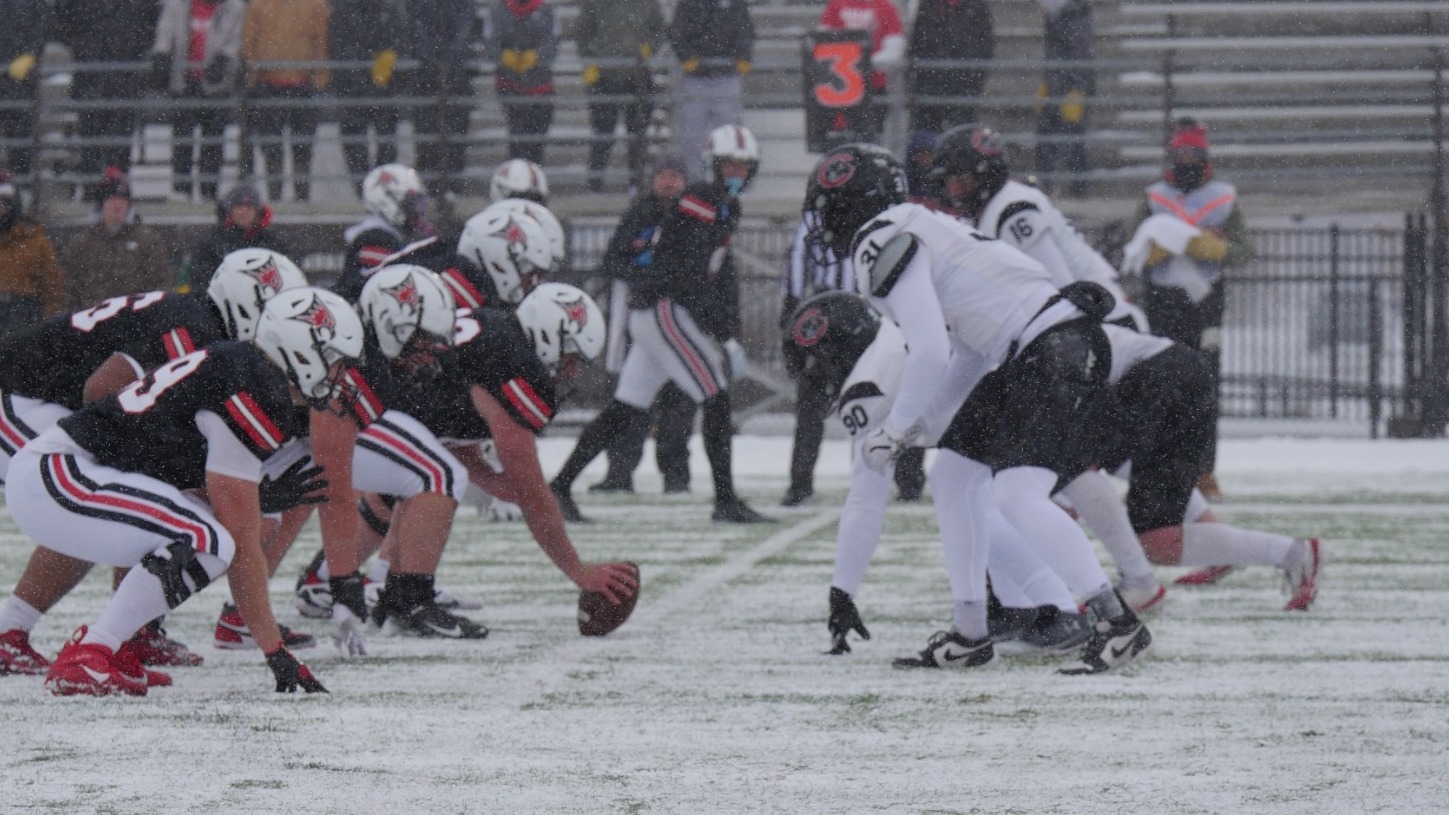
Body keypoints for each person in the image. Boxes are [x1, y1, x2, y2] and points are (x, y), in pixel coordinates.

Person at [803, 143, 1150, 675]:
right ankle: (970, 631)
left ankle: (1116, 622)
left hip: (1048, 346)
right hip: (1039, 344)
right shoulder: (922, 222)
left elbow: (930, 349)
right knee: (953, 475)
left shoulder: (880, 238)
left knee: (1015, 493)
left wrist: (895, 429)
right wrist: (920, 422)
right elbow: (964, 348)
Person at [5, 287, 358, 696]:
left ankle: (107, 645)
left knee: (202, 528)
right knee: (208, 539)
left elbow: (195, 487)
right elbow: (242, 542)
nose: (341, 376)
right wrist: (275, 652)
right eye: (336, 362)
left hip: (63, 476)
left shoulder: (244, 370)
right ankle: (90, 653)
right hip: (59, 473)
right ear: (302, 351)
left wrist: (257, 497)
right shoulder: (252, 387)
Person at [367, 282, 639, 633]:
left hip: (375, 407)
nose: (569, 372)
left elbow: (445, 421)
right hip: (366, 413)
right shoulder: (514, 362)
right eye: (569, 358)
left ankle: (391, 595)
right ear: (547, 334)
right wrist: (578, 570)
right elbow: (533, 493)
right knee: (438, 476)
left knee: (426, 474)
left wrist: (492, 479)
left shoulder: (496, 331)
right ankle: (408, 602)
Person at [551, 125, 767, 524]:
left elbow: (710, 273)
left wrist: (721, 323)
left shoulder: (720, 204)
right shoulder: (702, 201)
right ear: (713, 165)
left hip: (663, 308)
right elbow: (689, 272)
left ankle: (559, 487)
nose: (736, 173)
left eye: (743, 166)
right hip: (667, 308)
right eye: (729, 165)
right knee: (716, 397)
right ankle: (725, 500)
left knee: (623, 410)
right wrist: (721, 332)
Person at [1126, 118, 1252, 503]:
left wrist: (1214, 248)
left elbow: (1243, 252)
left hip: (1205, 305)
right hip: (1163, 303)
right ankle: (1150, 472)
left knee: (1204, 389)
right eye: (1180, 154)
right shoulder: (1153, 198)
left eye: (1193, 154)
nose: (1186, 161)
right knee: (1156, 390)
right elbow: (1133, 253)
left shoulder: (1223, 199)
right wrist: (1159, 247)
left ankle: (1202, 471)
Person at [931, 125, 1140, 329]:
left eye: (961, 180)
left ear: (985, 174)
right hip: (1089, 319)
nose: (954, 191)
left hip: (1103, 322)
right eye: (949, 182)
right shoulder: (993, 208)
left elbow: (1061, 290)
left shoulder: (1013, 211)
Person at [780, 212, 923, 506]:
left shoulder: (886, 221)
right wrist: (794, 311)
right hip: (829, 325)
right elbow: (796, 266)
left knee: (886, 398)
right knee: (817, 404)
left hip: (870, 322)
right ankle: (801, 482)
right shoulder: (817, 223)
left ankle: (905, 479)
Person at [592, 151, 697, 495]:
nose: (669, 182)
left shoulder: (694, 217)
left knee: (677, 408)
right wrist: (647, 277)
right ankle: (619, 473)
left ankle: (677, 477)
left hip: (678, 327)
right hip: (640, 326)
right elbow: (614, 261)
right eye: (663, 175)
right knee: (630, 404)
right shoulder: (639, 216)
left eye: (675, 176)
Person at [152, 0, 246, 201]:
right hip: (184, 83)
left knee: (212, 142)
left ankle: (209, 191)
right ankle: (180, 189)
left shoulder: (233, 7)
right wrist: (162, 54)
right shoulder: (177, 5)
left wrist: (224, 59)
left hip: (215, 87)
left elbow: (235, 39)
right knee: (182, 140)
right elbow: (165, 30)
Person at [53, 0, 157, 176]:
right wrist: (82, 46)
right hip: (91, 75)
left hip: (124, 76)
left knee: (120, 143)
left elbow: (151, 25)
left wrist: (134, 48)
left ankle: (116, 191)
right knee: (91, 142)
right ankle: (92, 188)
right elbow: (61, 23)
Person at [572, 0, 665, 193]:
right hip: (605, 76)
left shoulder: (647, 4)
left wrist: (651, 47)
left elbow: (659, 29)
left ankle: (636, 181)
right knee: (603, 133)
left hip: (638, 75)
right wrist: (589, 60)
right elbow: (581, 32)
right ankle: (595, 184)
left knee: (638, 133)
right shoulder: (595, 4)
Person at [242, 0, 330, 203]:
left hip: (302, 84)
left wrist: (318, 80)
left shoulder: (314, 5)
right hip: (269, 84)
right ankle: (277, 197)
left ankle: (300, 196)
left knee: (302, 147)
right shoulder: (259, 5)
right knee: (274, 147)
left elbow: (321, 42)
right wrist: (254, 76)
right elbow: (249, 43)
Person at [668, 0, 753, 181]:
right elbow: (677, 32)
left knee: (730, 136)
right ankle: (693, 182)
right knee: (691, 137)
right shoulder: (688, 4)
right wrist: (686, 56)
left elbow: (747, 29)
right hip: (695, 79)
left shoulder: (734, 3)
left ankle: (728, 183)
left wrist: (743, 54)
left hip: (726, 77)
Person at [64, 168, 171, 310]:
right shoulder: (84, 243)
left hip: (134, 323)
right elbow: (70, 287)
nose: (118, 205)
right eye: (112, 198)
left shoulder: (147, 240)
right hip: (94, 323)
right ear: (102, 203)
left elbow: (160, 283)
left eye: (123, 199)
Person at [335, 163, 441, 303]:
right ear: (386, 200)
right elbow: (381, 293)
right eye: (410, 203)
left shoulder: (384, 236)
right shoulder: (376, 240)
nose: (416, 212)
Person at [406, 0, 480, 196]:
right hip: (425, 77)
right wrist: (431, 59)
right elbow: (415, 26)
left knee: (456, 138)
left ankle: (452, 190)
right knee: (426, 139)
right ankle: (427, 189)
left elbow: (466, 26)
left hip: (456, 77)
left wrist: (451, 59)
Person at [329, 0, 405, 190]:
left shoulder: (384, 11)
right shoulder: (347, 12)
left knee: (381, 141)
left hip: (374, 87)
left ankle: (377, 187)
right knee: (358, 143)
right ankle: (368, 188)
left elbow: (396, 43)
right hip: (360, 88)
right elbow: (338, 46)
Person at [817, 0, 905, 143]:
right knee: (839, 141)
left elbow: (894, 48)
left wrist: (859, 66)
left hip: (873, 87)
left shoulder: (886, 8)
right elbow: (821, 42)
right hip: (839, 89)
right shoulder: (836, 5)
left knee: (871, 140)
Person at [182, 181, 291, 294]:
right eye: (239, 206)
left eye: (249, 206)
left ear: (257, 211)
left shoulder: (274, 242)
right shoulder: (211, 243)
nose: (243, 211)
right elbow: (200, 280)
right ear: (230, 210)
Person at [485, 0, 558, 165]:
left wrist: (537, 56)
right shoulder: (497, 10)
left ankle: (533, 174)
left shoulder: (545, 10)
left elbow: (552, 42)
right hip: (510, 86)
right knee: (517, 137)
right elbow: (490, 42)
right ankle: (518, 175)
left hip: (541, 86)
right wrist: (503, 56)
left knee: (537, 140)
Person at [1034, 0, 1094, 197]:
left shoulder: (1074, 17)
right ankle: (1048, 184)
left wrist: (1076, 87)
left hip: (1070, 85)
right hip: (1056, 82)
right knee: (1048, 134)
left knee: (1071, 135)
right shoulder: (1060, 17)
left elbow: (1079, 53)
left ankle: (1077, 187)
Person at [908, 0, 992, 134]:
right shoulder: (929, 6)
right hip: (931, 86)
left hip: (963, 85)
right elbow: (917, 42)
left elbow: (984, 45)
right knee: (927, 135)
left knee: (962, 132)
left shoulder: (976, 7)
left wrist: (970, 76)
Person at [0, 170, 63, 336]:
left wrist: (49, 331)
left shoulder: (36, 242)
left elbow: (52, 291)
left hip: (23, 328)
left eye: (3, 205)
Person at [0, 0, 47, 180]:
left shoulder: (31, 4)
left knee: (20, 139)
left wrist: (31, 53)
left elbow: (43, 27)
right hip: (14, 79)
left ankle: (21, 187)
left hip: (18, 82)